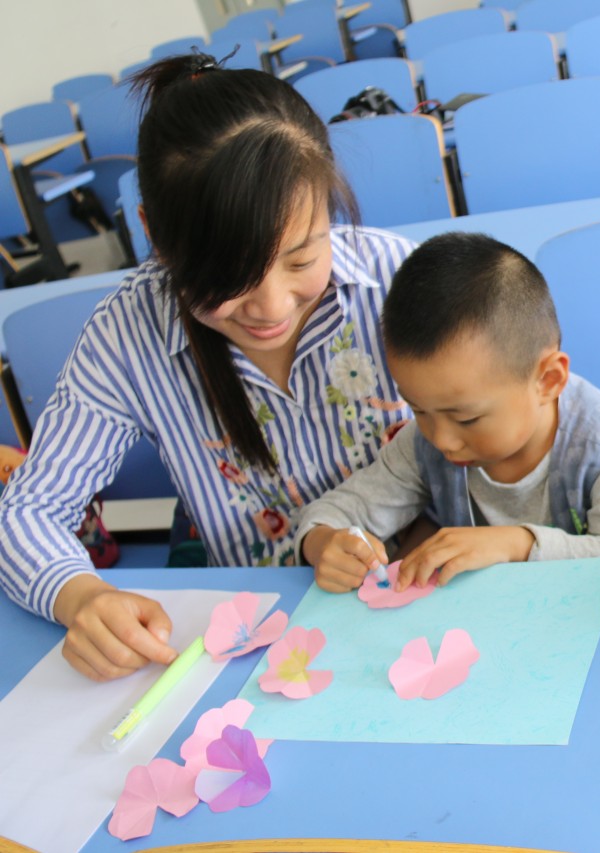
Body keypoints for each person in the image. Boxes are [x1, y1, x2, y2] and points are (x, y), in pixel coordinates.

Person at [0, 54, 415, 681]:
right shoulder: (127, 336)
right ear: (154, 236)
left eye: (301, 260)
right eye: (229, 276)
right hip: (256, 648)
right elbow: (27, 512)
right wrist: (79, 596)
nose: (271, 307)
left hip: (420, 599)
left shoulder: (396, 280)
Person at [296, 232, 600, 592]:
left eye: (466, 419)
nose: (442, 438)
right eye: (418, 410)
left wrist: (516, 544)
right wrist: (323, 541)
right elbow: (337, 512)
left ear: (548, 380)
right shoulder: (424, 442)